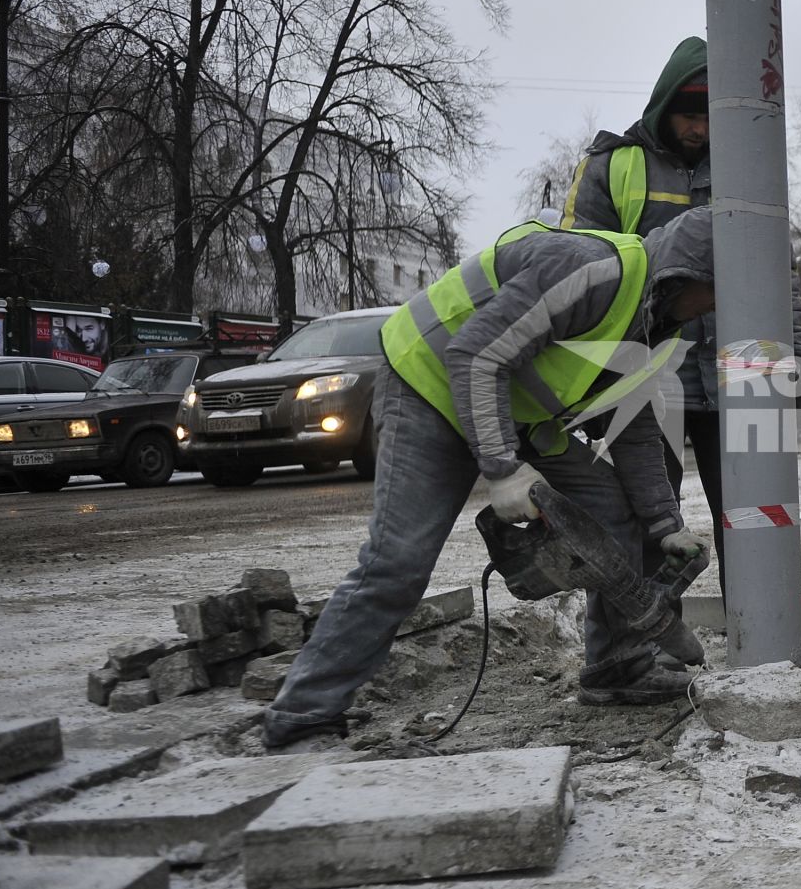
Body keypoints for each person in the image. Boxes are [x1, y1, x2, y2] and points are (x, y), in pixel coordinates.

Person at [262, 209, 718, 753]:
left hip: (514, 411)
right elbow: (476, 353)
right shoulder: (594, 271)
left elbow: (634, 425)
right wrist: (501, 470)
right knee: (398, 563)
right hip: (428, 385)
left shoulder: (657, 323)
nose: (716, 311)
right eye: (715, 294)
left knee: (612, 508)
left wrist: (666, 524)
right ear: (687, 274)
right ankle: (304, 714)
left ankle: (617, 667)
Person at [561, 37, 801, 604]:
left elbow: (777, 268)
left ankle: (755, 642)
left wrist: (797, 352)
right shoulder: (612, 166)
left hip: (738, 374)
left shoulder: (748, 167)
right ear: (664, 106)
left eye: (708, 117)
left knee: (750, 520)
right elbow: (577, 271)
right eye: (688, 115)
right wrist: (586, 381)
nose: (699, 130)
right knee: (647, 524)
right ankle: (641, 652)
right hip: (643, 377)